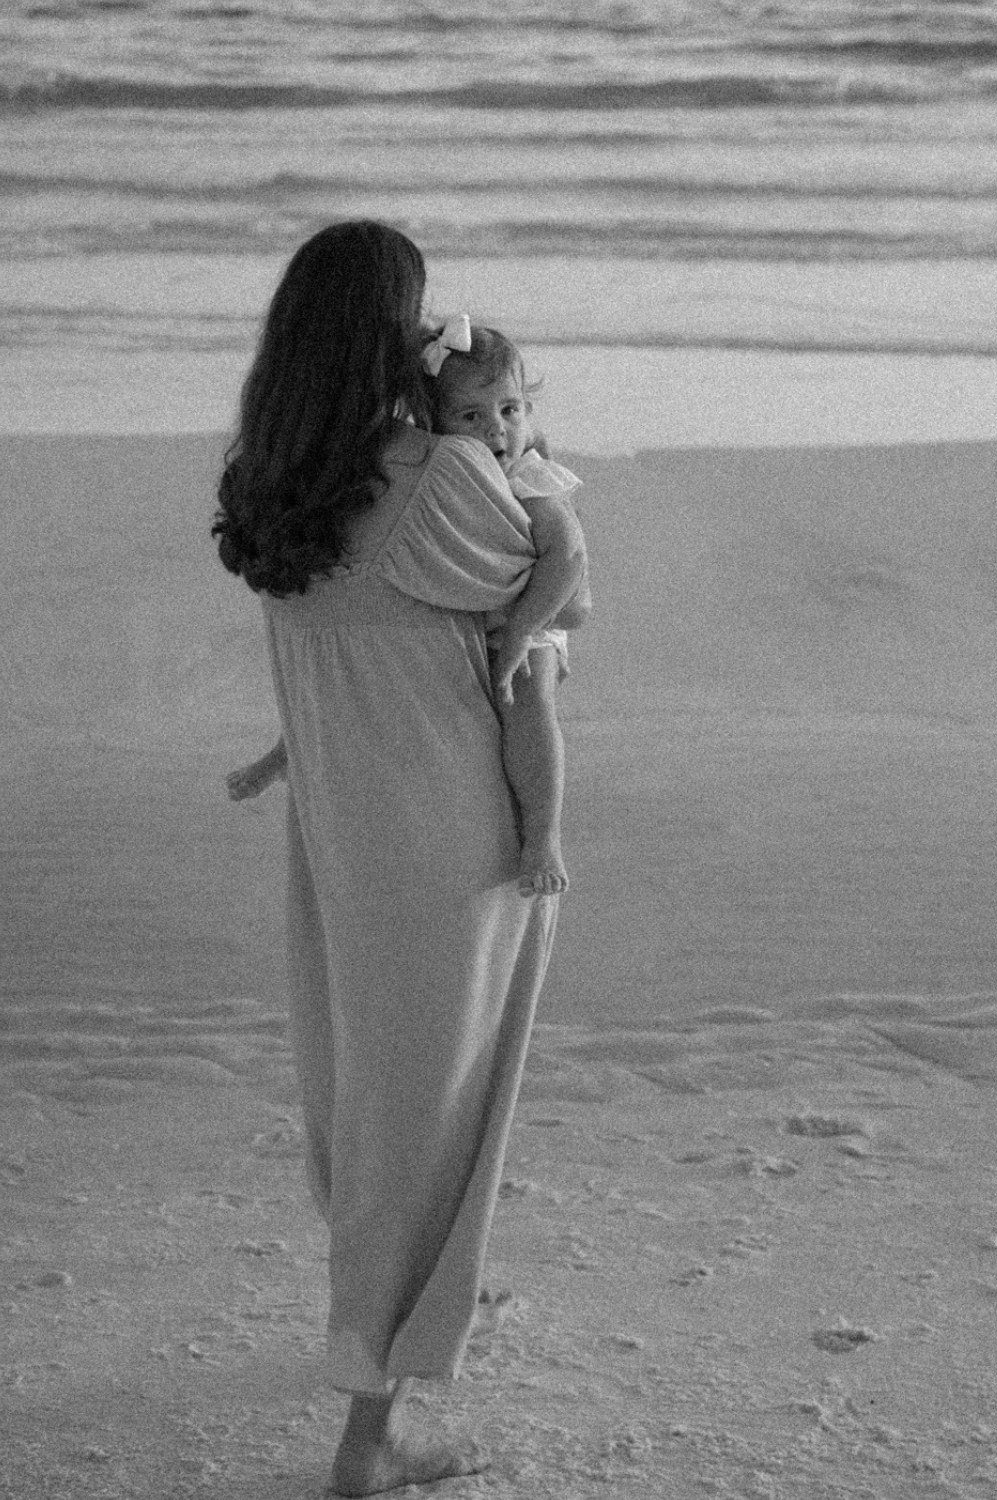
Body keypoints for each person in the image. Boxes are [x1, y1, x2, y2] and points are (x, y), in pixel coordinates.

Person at [213, 220, 588, 1497]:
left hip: (340, 823)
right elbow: (562, 597)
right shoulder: (435, 476)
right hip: (449, 823)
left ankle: (375, 1316)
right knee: (433, 1115)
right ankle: (368, 1432)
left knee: (364, 1087)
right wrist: (515, 461)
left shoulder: (272, 478)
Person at [227, 314, 587, 898]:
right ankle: (283, 752)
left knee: (530, 705)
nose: (497, 431)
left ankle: (543, 834)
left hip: (531, 624)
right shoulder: (441, 468)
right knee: (352, 672)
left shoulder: (529, 474)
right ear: (434, 424)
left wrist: (524, 628)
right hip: (473, 616)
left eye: (510, 410)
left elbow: (568, 561)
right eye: (471, 417)